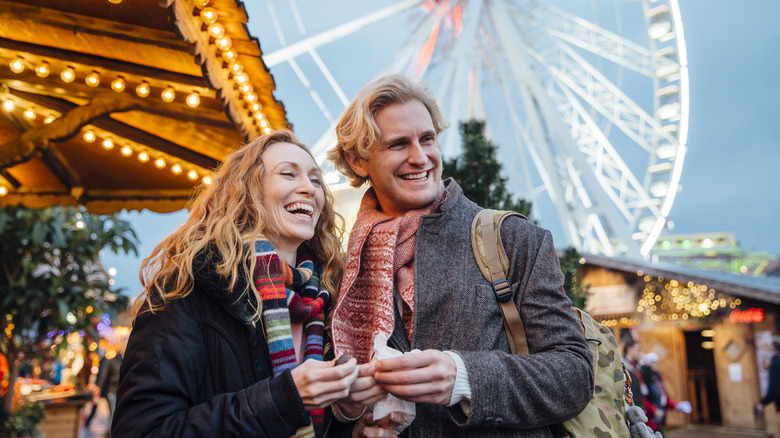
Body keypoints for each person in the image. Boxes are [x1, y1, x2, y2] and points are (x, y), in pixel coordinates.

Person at [326, 74, 593, 437]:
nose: (420, 158)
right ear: (358, 162)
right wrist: (352, 420)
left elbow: (574, 376)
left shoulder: (511, 239)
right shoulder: (344, 271)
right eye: (398, 145)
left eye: (427, 139)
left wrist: (464, 377)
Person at [113, 131, 396, 438]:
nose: (308, 188)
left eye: (316, 180)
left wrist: (350, 425)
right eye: (288, 174)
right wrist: (283, 399)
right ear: (247, 191)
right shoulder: (188, 288)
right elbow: (142, 430)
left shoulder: (330, 295)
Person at [639, 353, 691, 435]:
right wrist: (654, 410)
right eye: (652, 363)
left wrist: (677, 406)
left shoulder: (657, 378)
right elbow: (642, 400)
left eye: (655, 362)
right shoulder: (644, 378)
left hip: (657, 422)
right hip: (648, 422)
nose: (655, 365)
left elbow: (663, 398)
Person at [757, 336, 780, 425]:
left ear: (774, 347)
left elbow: (775, 387)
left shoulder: (776, 364)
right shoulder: (774, 361)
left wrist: (763, 403)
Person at [622, 337, 645, 409]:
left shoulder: (636, 368)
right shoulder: (622, 368)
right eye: (638, 349)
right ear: (629, 349)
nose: (640, 352)